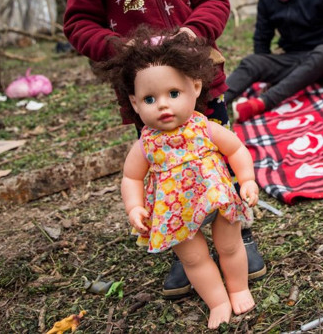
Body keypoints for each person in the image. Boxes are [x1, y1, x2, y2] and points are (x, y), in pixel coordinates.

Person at [62, 0, 265, 300]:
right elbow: (77, 23)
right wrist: (118, 47)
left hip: (202, 83)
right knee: (165, 169)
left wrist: (195, 31)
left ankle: (238, 236)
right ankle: (185, 247)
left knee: (216, 156)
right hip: (151, 97)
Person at [97, 27, 258, 329]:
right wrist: (134, 207)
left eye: (173, 94)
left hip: (217, 197)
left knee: (230, 246)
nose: (162, 104)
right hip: (175, 212)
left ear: (195, 87)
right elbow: (131, 178)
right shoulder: (146, 143)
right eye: (149, 98)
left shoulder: (204, 127)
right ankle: (218, 301)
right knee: (193, 259)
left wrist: (246, 179)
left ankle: (238, 288)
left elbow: (235, 149)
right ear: (134, 103)